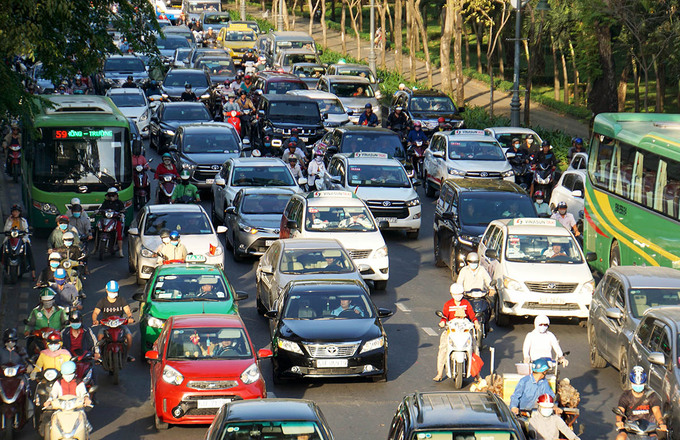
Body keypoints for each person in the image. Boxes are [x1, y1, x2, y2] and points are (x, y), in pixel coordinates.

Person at [434, 283, 480, 382]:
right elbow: (444, 317)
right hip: (451, 331)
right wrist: (442, 323)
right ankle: (439, 373)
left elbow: (472, 315)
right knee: (443, 348)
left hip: (464, 331)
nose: (458, 296)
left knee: (475, 348)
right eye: (455, 294)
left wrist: (476, 323)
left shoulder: (466, 303)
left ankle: (477, 374)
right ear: (451, 294)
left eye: (459, 293)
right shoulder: (448, 304)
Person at [615, 366, 667, 440]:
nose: (638, 387)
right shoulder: (625, 396)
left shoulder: (651, 395)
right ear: (632, 383)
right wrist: (619, 421)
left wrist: (661, 423)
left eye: (640, 385)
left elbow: (656, 411)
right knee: (620, 438)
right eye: (636, 385)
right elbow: (620, 410)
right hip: (629, 428)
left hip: (649, 428)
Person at [92, 281, 135, 362]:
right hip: (106, 325)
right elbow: (95, 312)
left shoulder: (121, 300)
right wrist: (95, 320)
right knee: (100, 337)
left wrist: (130, 317)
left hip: (119, 324)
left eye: (114, 292)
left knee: (129, 336)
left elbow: (127, 310)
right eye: (111, 291)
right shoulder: (102, 301)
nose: (113, 293)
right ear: (107, 290)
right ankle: (100, 354)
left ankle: (126, 354)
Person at [3, 204, 36, 280]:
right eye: (14, 211)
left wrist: (24, 238)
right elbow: (6, 230)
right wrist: (10, 223)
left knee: (29, 253)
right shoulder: (9, 220)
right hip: (10, 239)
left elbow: (26, 231)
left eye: (17, 212)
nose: (15, 213)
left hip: (21, 240)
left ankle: (33, 273)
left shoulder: (23, 221)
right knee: (3, 250)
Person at [98, 187, 125, 258]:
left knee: (119, 234)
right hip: (106, 220)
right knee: (98, 230)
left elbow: (123, 209)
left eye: (113, 195)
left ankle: (120, 250)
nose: (111, 197)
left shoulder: (119, 203)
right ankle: (95, 248)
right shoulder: (105, 202)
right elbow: (101, 209)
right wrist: (98, 211)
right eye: (110, 195)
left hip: (116, 220)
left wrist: (121, 213)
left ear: (116, 195)